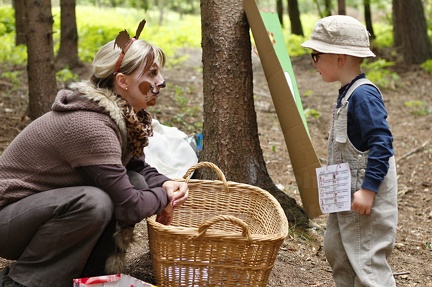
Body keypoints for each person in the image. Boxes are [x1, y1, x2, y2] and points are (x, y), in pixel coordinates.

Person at [0, 19, 189, 287]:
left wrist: (165, 183)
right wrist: (164, 197)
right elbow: (130, 207)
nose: (162, 82)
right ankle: (20, 282)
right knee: (93, 202)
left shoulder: (122, 116)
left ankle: (91, 279)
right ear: (122, 81)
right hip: (8, 219)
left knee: (134, 183)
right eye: (152, 74)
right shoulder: (91, 126)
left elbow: (135, 169)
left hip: (39, 212)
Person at [301, 15, 398, 287]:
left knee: (367, 262)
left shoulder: (363, 96)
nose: (314, 62)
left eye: (317, 55)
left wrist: (368, 190)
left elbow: (382, 142)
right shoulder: (347, 92)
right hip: (346, 200)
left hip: (366, 201)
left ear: (340, 58)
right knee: (337, 250)